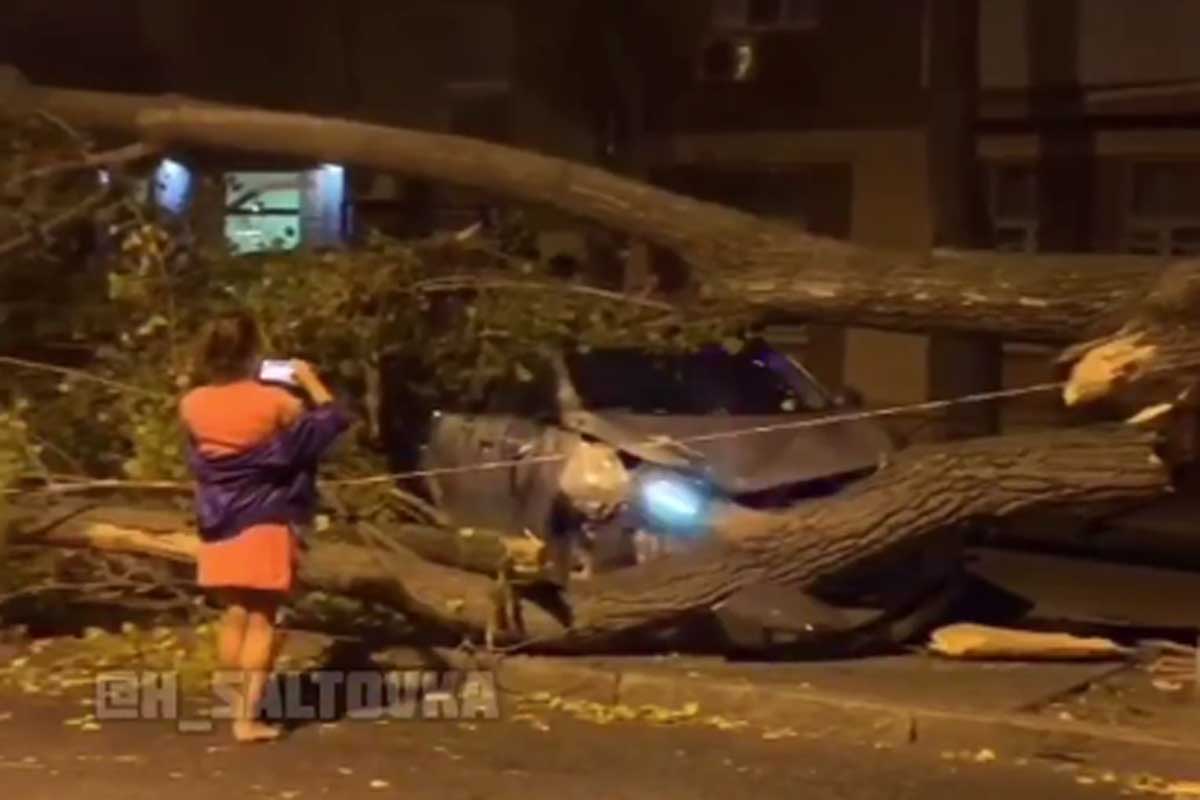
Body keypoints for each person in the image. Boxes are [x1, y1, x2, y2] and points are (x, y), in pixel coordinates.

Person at [179, 310, 349, 742]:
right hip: (263, 520)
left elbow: (202, 454)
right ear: (252, 351)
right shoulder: (275, 401)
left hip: (217, 523)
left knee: (233, 613)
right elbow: (328, 424)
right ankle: (246, 720)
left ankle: (231, 703)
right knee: (262, 619)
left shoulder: (192, 402)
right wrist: (308, 380)